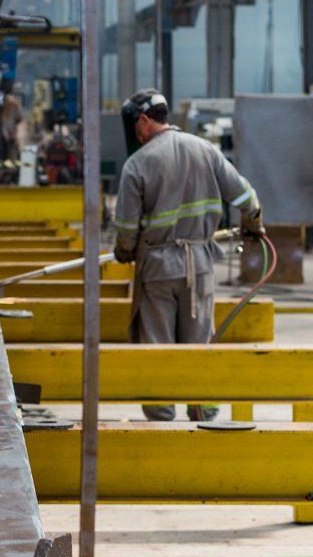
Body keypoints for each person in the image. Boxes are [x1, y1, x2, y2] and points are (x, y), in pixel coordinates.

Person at [111, 89, 263, 421]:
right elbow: (246, 197)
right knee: (199, 346)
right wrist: (253, 225)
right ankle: (203, 418)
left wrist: (124, 252)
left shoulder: (138, 164)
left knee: (157, 348)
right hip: (201, 265)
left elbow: (125, 229)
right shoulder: (205, 150)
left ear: (145, 121)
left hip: (157, 270)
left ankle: (162, 422)